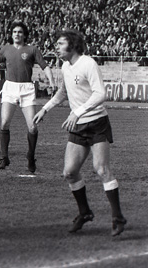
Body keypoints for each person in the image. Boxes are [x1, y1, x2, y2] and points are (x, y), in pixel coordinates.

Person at [33, 30, 126, 236]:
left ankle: (118, 217)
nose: (56, 47)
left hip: (97, 123)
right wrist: (45, 109)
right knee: (69, 172)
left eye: (60, 43)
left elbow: (100, 94)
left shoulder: (88, 64)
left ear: (73, 45)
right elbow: (64, 92)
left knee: (101, 169)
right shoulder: (65, 66)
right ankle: (85, 213)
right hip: (78, 125)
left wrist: (78, 112)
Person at [0, 22, 56, 172]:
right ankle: (4, 157)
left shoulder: (32, 49)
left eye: (20, 32)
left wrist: (52, 81)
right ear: (11, 34)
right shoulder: (6, 49)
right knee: (4, 122)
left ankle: (31, 156)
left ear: (24, 35)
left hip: (27, 89)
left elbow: (45, 66)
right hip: (10, 88)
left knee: (32, 127)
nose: (17, 34)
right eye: (14, 32)